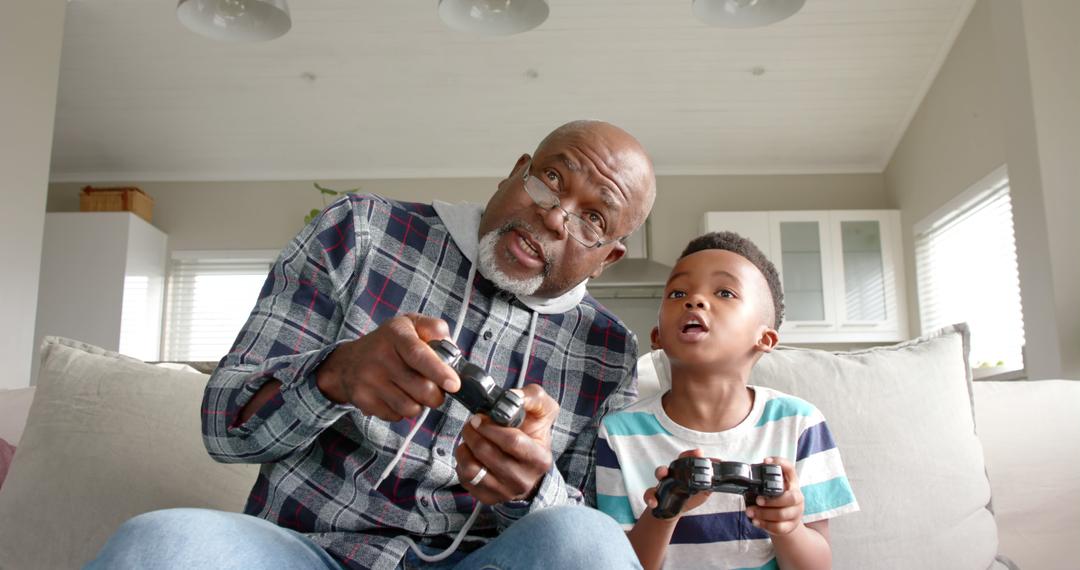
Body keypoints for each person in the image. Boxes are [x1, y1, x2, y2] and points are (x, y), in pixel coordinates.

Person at [87, 120, 656, 570]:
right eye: (551, 180)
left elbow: (586, 532)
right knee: (157, 544)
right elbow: (224, 428)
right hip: (302, 552)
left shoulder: (607, 350)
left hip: (483, 562)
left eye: (593, 218)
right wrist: (333, 376)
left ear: (607, 259)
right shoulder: (361, 231)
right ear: (515, 172)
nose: (554, 216)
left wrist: (530, 490)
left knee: (588, 539)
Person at [594, 232, 859, 570]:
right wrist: (664, 510)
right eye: (678, 293)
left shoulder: (799, 424)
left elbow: (817, 567)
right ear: (657, 336)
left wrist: (787, 526)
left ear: (764, 338)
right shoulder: (619, 433)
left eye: (724, 292)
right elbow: (623, 564)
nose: (695, 301)